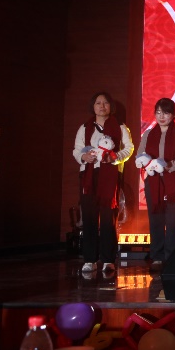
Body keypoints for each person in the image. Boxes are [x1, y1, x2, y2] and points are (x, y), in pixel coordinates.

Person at [72, 92, 134, 277]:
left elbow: (129, 148)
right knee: (89, 217)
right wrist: (84, 156)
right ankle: (89, 260)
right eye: (98, 103)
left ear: (110, 106)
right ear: (93, 107)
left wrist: (115, 157)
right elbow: (77, 149)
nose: (102, 106)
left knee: (108, 218)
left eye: (105, 103)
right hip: (88, 176)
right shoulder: (85, 127)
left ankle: (108, 259)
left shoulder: (121, 127)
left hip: (110, 175)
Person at [136, 98, 175, 270]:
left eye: (166, 113)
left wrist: (167, 166)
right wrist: (149, 164)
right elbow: (140, 155)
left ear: (173, 115)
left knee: (174, 220)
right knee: (156, 219)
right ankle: (157, 256)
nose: (162, 116)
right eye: (158, 112)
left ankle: (174, 256)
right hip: (153, 181)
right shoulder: (148, 134)